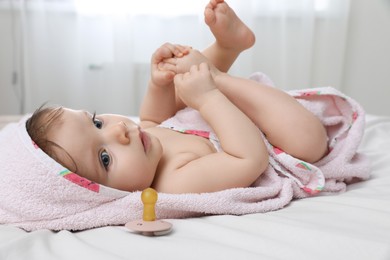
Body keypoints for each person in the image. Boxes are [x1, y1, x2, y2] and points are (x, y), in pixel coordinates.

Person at [26, 0, 328, 194]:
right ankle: (216, 72)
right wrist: (210, 95)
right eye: (104, 158)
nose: (119, 131)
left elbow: (154, 119)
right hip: (264, 141)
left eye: (96, 123)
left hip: (228, 108)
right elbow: (249, 159)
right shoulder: (174, 183)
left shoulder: (144, 147)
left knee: (183, 94)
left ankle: (228, 47)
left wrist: (159, 84)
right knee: (310, 142)